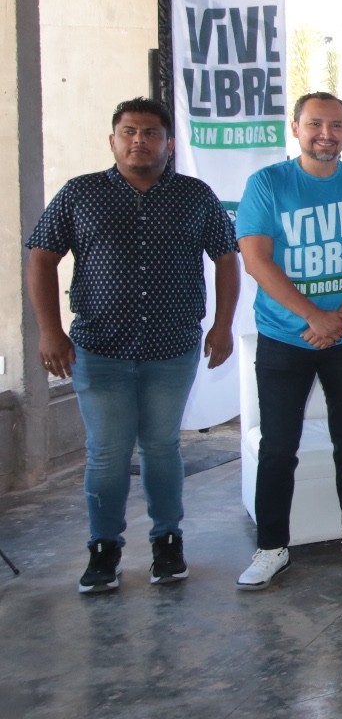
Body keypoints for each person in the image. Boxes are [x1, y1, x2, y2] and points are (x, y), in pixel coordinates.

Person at [26, 97, 240, 593]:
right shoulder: (80, 193)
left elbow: (227, 258)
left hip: (172, 347)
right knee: (107, 452)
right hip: (99, 349)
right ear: (113, 140)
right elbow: (41, 257)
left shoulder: (194, 195)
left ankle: (168, 542)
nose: (139, 140)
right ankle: (104, 549)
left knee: (162, 447)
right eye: (129, 132)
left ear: (169, 144)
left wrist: (223, 325)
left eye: (150, 133)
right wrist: (50, 331)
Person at [234, 92, 342, 589]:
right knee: (278, 445)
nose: (326, 134)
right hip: (284, 337)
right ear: (296, 128)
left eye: (336, 125)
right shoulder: (268, 184)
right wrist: (313, 316)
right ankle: (271, 546)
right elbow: (256, 260)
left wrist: (339, 319)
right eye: (315, 124)